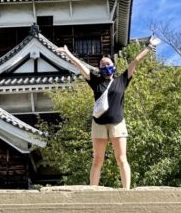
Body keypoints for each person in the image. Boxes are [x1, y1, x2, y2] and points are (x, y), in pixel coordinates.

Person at [56, 39, 158, 189]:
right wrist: (67, 53)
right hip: (98, 124)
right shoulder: (95, 81)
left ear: (113, 66)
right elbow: (80, 66)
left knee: (121, 158)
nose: (105, 66)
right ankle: (93, 190)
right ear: (99, 67)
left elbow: (135, 61)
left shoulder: (121, 80)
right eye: (102, 64)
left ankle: (126, 190)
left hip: (118, 122)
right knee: (97, 159)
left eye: (108, 64)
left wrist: (150, 47)